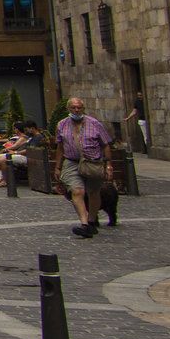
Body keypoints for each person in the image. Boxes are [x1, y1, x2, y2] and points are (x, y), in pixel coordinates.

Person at [56, 98, 114, 238]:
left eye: (79, 108)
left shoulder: (94, 123)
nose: (76, 110)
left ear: (83, 108)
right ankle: (85, 224)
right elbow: (60, 146)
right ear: (68, 109)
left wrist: (109, 165)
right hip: (72, 162)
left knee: (93, 192)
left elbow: (105, 144)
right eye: (74, 108)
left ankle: (92, 220)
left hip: (92, 163)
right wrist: (57, 167)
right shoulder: (62, 125)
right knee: (77, 191)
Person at [0, 121, 37, 188]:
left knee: (2, 159)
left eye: (27, 129)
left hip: (26, 157)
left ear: (32, 128)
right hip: (20, 154)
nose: (26, 131)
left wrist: (15, 152)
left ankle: (5, 180)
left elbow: (29, 150)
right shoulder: (31, 137)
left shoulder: (34, 138)